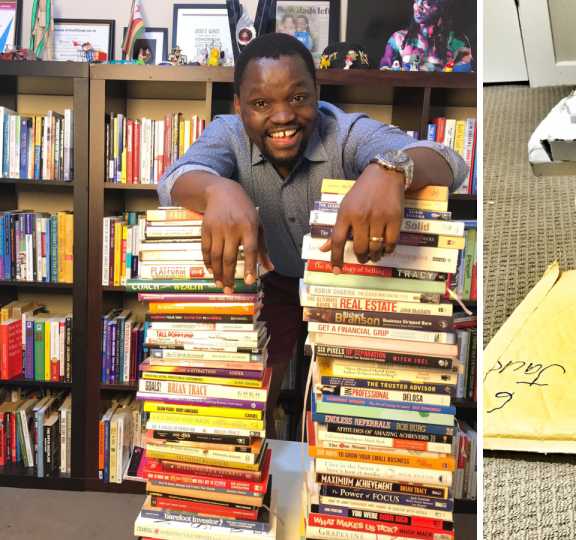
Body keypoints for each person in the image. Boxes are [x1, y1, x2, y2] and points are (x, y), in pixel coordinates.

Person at [156, 33, 468, 439]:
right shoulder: (227, 132)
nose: (282, 116)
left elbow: (452, 163)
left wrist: (390, 168)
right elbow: (174, 179)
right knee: (252, 400)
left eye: (298, 98)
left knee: (359, 409)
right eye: (261, 103)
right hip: (272, 283)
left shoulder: (345, 130)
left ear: (316, 94)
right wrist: (218, 189)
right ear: (238, 106)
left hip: (351, 284)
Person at [379, 0, 472, 71]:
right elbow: (383, 73)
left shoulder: (459, 41)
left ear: (440, 7)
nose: (418, 7)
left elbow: (469, 76)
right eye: (416, 1)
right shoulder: (398, 38)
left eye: (426, 3)